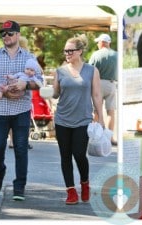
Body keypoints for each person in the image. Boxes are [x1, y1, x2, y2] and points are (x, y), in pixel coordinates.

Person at [0, 20, 43, 201]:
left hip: (21, 110)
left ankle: (19, 187)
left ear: (17, 35)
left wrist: (25, 84)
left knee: (21, 148)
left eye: (9, 33)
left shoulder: (29, 57)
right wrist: (2, 90)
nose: (5, 36)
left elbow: (39, 81)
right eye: (3, 34)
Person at [53, 35, 105, 205]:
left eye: (70, 50)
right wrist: (48, 91)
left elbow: (97, 95)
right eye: (65, 51)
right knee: (65, 156)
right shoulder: (60, 71)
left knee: (79, 154)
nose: (67, 53)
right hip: (62, 119)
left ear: (80, 51)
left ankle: (85, 183)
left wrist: (100, 117)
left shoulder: (91, 70)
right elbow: (55, 93)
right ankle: (71, 191)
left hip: (83, 119)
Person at [89, 33, 118, 146]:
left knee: (96, 110)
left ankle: (96, 137)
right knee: (111, 111)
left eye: (98, 42)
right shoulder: (117, 55)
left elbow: (90, 70)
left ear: (102, 43)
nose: (97, 44)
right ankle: (110, 138)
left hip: (98, 83)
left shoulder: (96, 54)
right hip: (112, 84)